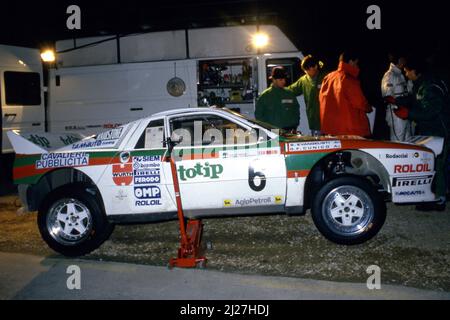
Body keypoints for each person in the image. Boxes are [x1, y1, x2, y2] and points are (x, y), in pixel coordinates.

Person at [392, 57, 450, 211]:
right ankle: (435, 195)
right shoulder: (422, 84)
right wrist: (398, 100)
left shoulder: (430, 86)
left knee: (438, 164)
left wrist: (408, 114)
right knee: (432, 163)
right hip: (430, 130)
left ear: (415, 71)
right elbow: (414, 99)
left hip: (440, 130)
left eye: (406, 71)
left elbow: (431, 111)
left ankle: (439, 200)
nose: (405, 74)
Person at [319, 51, 372, 137]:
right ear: (351, 62)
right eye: (356, 63)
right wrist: (368, 107)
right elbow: (359, 102)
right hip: (351, 130)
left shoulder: (328, 77)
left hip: (330, 129)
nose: (357, 66)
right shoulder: (349, 79)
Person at [288, 55, 327, 136]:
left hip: (328, 121)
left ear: (315, 67)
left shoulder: (326, 78)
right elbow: (290, 90)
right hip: (314, 122)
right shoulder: (303, 80)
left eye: (309, 70)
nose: (307, 72)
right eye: (305, 70)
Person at [255, 66, 300, 132]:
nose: (284, 81)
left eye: (284, 79)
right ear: (274, 80)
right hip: (272, 132)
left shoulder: (289, 94)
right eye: (281, 80)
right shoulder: (265, 96)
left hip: (289, 131)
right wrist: (266, 129)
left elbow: (296, 110)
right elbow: (258, 115)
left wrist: (295, 124)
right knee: (272, 143)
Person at [381, 53, 413, 141]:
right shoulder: (390, 75)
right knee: (398, 142)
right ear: (399, 60)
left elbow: (407, 92)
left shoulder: (401, 74)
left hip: (406, 113)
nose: (405, 61)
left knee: (409, 142)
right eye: (404, 59)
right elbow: (387, 96)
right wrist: (400, 105)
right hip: (396, 114)